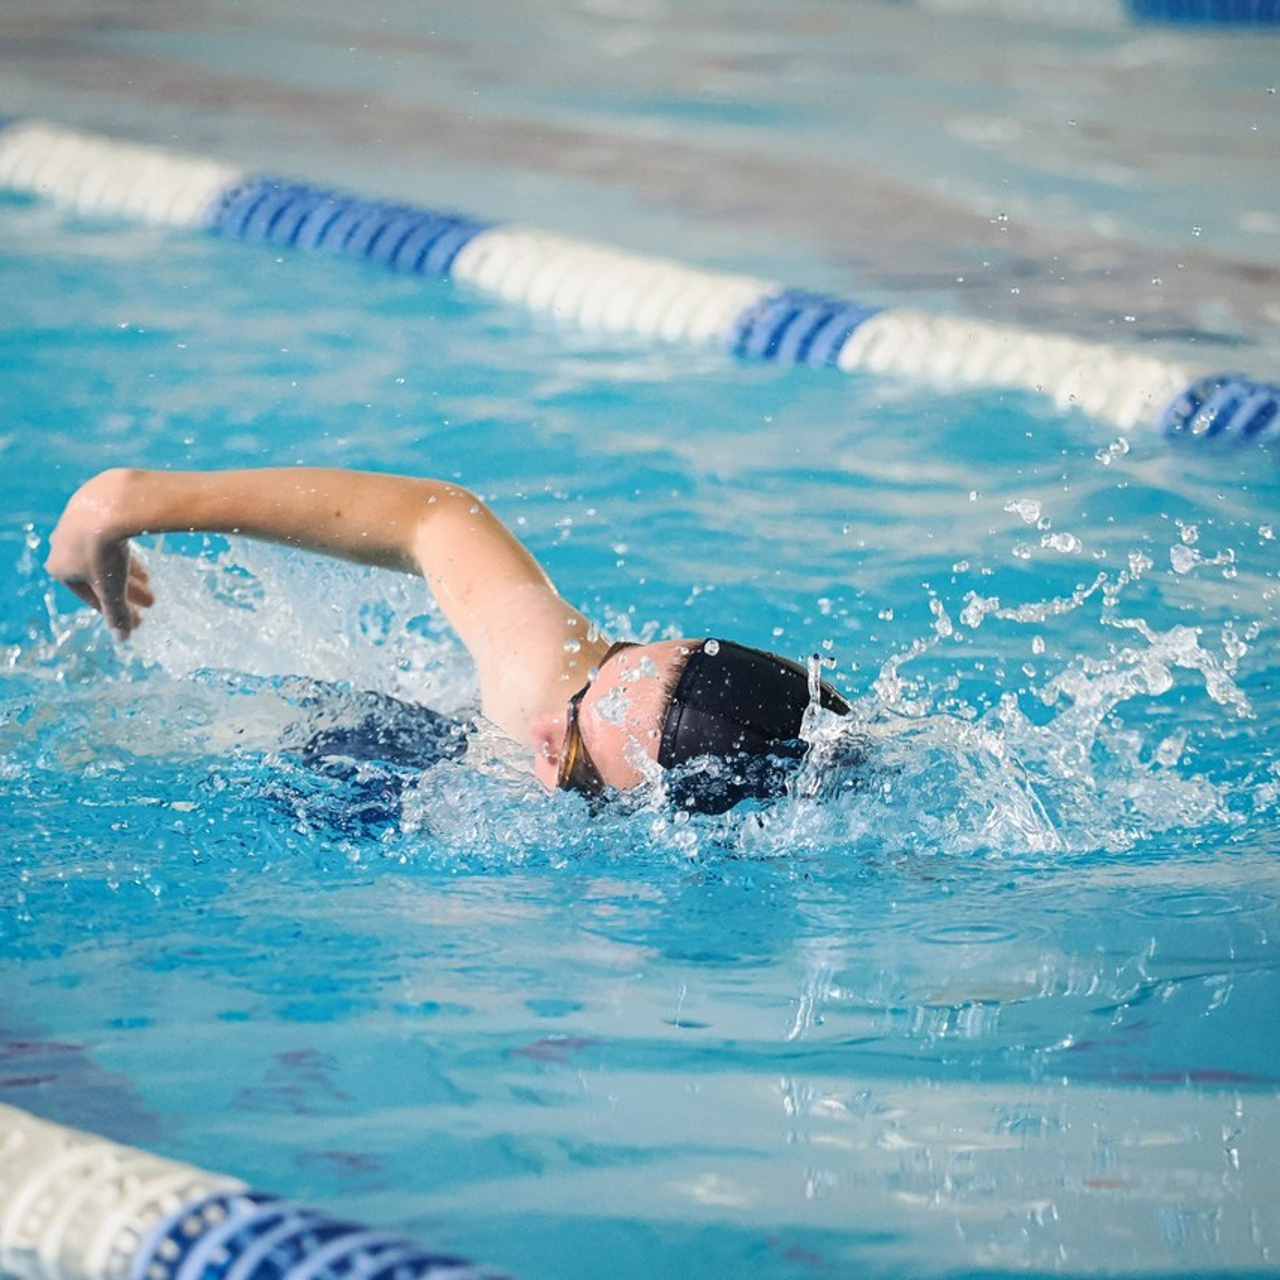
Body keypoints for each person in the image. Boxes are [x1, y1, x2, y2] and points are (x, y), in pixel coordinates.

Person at [45, 467, 851, 813]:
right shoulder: (549, 679)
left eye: (569, 760)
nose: (538, 725)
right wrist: (130, 500)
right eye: (593, 686)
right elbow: (435, 517)